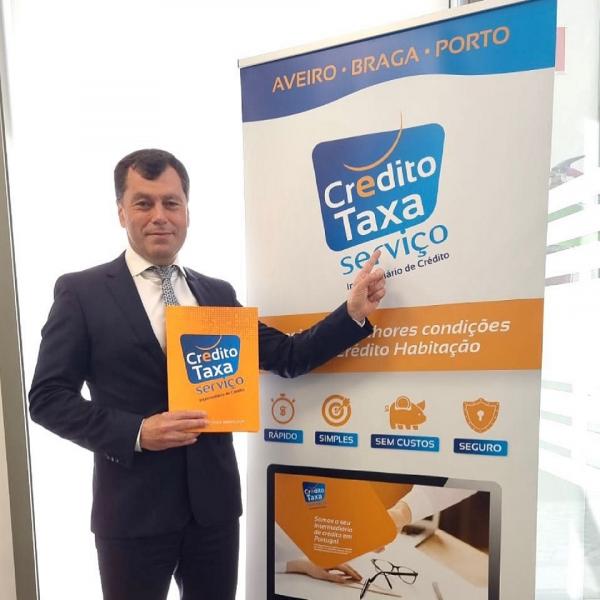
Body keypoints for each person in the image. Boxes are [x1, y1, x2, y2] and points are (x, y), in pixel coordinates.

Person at [28, 148, 386, 600]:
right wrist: (138, 431)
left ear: (187, 211)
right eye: (143, 203)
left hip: (213, 515)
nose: (160, 216)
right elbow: (47, 398)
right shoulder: (81, 292)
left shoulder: (215, 293)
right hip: (132, 515)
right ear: (121, 212)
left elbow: (288, 355)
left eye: (171, 203)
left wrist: (351, 313)